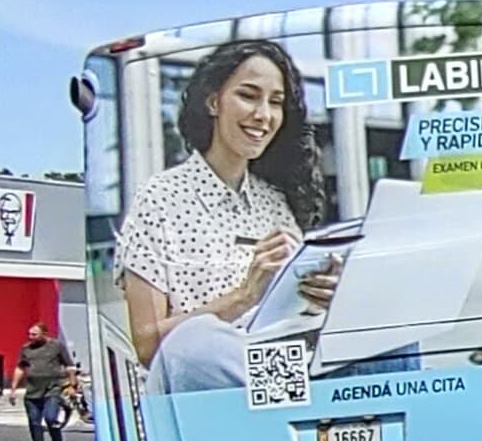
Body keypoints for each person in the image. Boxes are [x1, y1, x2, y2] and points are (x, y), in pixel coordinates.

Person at [111, 37, 335, 394]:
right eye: (248, 95)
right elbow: (148, 345)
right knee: (196, 340)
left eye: (275, 103)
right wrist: (244, 296)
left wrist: (323, 294)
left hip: (278, 367)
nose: (263, 115)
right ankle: (302, 401)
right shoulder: (159, 198)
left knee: (390, 337)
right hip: (204, 384)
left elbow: (293, 317)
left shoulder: (275, 203)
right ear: (214, 102)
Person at [16, 323, 74, 441]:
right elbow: (20, 367)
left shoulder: (56, 346)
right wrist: (13, 388)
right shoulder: (26, 349)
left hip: (52, 389)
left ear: (44, 334)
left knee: (50, 418)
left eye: (34, 334)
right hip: (32, 391)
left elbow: (69, 366)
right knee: (34, 422)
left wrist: (72, 385)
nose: (31, 337)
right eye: (29, 334)